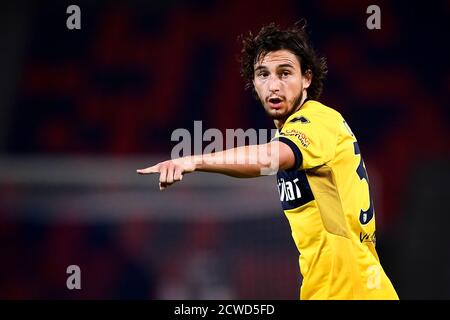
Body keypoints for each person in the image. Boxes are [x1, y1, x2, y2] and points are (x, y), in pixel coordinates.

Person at [137, 21, 399, 300]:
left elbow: (271, 157)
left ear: (307, 78)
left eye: (285, 73)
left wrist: (193, 161)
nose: (273, 85)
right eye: (263, 74)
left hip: (352, 292)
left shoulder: (316, 121)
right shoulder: (295, 130)